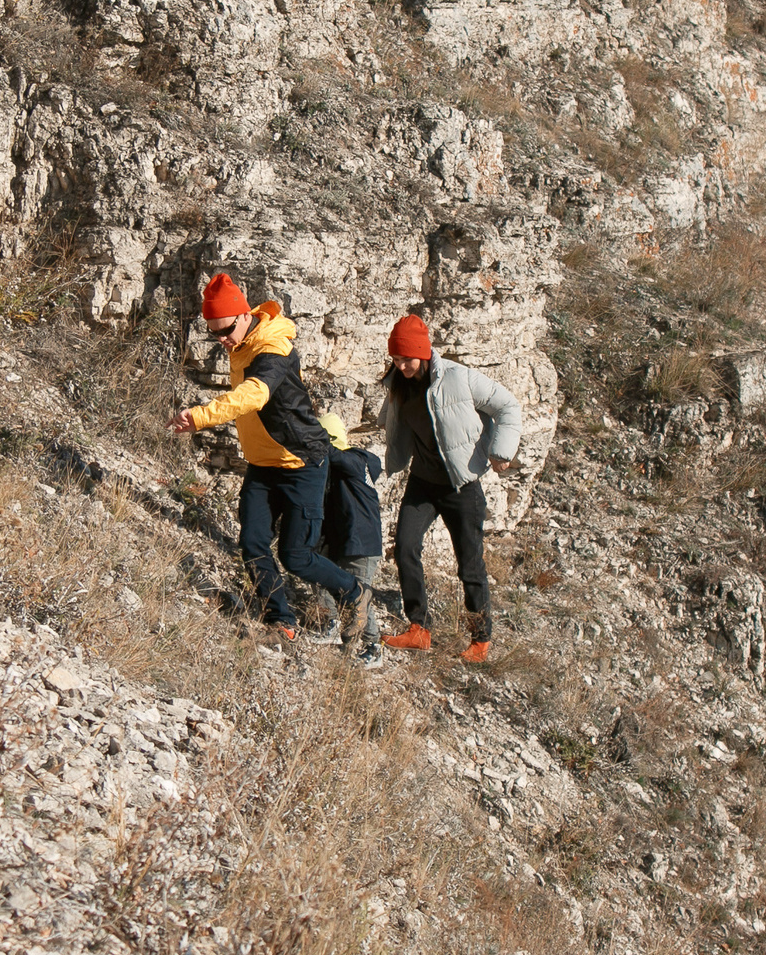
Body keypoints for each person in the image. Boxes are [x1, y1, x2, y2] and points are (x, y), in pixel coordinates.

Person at [172, 274, 372, 640]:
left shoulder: (273, 349)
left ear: (245, 316)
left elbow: (254, 395)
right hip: (263, 466)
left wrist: (201, 416)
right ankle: (282, 622)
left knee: (296, 556)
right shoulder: (240, 343)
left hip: (301, 463)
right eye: (213, 332)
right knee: (252, 544)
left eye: (225, 330)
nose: (221, 340)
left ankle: (353, 592)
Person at [376, 313, 522, 664]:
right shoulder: (398, 381)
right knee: (405, 547)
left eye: (406, 359)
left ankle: (481, 641)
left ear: (424, 353)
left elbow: (507, 405)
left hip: (462, 486)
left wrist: (501, 450)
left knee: (469, 565)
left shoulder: (458, 378)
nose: (401, 365)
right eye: (395, 359)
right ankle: (419, 628)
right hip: (423, 482)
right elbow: (391, 418)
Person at [310, 411, 386, 669]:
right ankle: (330, 624)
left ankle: (373, 647)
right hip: (343, 540)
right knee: (320, 572)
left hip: (362, 544)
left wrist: (314, 442)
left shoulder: (356, 460)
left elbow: (336, 457)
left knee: (358, 597)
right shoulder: (334, 468)